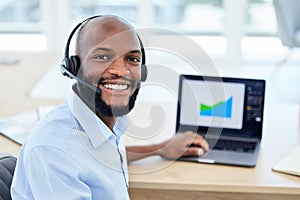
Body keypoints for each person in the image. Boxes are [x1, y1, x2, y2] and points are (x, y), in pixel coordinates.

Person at [11, 15, 209, 199]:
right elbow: (75, 155)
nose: (120, 71)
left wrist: (161, 148)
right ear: (74, 67)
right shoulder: (54, 151)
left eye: (132, 59)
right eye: (102, 57)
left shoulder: (98, 123)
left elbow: (100, 157)